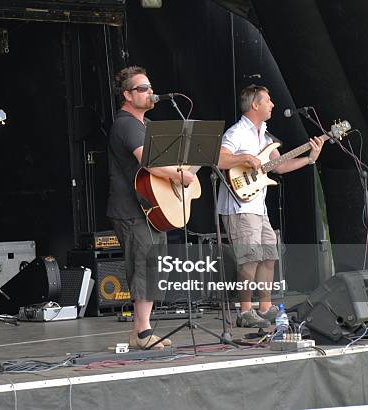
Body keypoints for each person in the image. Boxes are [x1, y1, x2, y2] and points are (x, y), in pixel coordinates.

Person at [217, 84, 324, 327]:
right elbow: (220, 159)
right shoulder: (237, 133)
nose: (272, 105)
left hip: (258, 206)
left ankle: (264, 308)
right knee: (249, 258)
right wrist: (244, 157)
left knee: (268, 256)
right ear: (255, 104)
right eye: (268, 100)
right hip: (240, 206)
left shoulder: (265, 137)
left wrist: (310, 158)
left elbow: (280, 167)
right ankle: (245, 312)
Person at [107, 66, 197, 349]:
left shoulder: (144, 125)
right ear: (127, 95)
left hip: (148, 208)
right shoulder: (126, 123)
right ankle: (143, 332)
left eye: (150, 87)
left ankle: (140, 332)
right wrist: (178, 176)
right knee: (145, 265)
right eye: (142, 88)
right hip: (130, 209)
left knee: (155, 265)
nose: (150, 93)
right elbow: (148, 162)